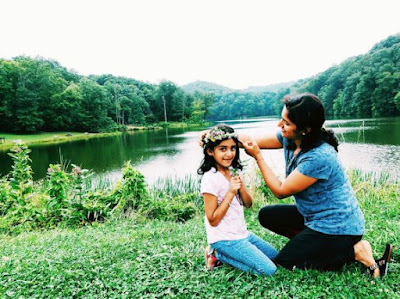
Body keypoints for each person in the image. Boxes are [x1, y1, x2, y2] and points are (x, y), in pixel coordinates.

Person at [237, 93, 393, 278]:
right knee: (267, 215)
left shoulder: (319, 156)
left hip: (339, 227)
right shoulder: (291, 138)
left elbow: (280, 191)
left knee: (286, 263)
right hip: (313, 217)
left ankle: (354, 251)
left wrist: (258, 157)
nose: (280, 126)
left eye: (286, 123)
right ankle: (314, 246)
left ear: (305, 129)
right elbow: (252, 141)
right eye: (282, 120)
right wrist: (220, 135)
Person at [198, 124, 278, 276]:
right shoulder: (210, 179)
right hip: (224, 239)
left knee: (276, 257)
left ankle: (222, 253)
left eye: (233, 148)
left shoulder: (234, 171)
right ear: (210, 151)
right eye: (223, 149)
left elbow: (248, 204)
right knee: (269, 270)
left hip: (242, 234)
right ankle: (216, 253)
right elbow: (213, 220)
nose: (229, 154)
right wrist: (230, 191)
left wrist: (240, 186)